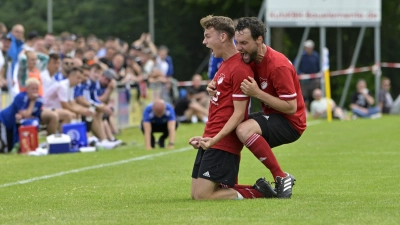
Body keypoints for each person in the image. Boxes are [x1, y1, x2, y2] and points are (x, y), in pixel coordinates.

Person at [189, 15, 275, 200]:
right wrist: (206, 137)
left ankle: (260, 192)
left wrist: (215, 139)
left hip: (223, 142)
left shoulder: (240, 68)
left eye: (207, 36)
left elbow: (238, 114)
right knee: (196, 194)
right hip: (212, 137)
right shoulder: (224, 64)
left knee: (204, 196)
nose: (204, 42)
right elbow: (221, 105)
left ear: (222, 37)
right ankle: (260, 188)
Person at [224, 17, 307, 198]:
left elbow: (291, 108)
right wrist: (215, 84)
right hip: (273, 114)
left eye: (244, 43)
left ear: (259, 39)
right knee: (231, 126)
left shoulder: (278, 66)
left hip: (290, 122)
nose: (239, 48)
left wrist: (257, 93)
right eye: (237, 43)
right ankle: (230, 184)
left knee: (244, 129)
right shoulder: (251, 59)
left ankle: (281, 177)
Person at [0, 78, 58, 153]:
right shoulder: (20, 97)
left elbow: (33, 115)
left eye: (36, 89)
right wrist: (32, 102)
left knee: (10, 148)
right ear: (27, 89)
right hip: (4, 121)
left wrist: (26, 115)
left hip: (15, 124)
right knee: (4, 149)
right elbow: (26, 115)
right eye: (32, 88)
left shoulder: (40, 100)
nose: (34, 91)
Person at [294, 39, 320, 109]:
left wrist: (318, 75)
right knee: (303, 95)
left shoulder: (316, 56)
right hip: (304, 79)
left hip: (314, 79)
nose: (307, 49)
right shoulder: (301, 55)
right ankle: (304, 109)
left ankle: (317, 107)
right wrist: (300, 73)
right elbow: (295, 66)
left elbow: (319, 66)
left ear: (312, 48)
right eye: (306, 47)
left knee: (317, 92)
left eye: (308, 47)